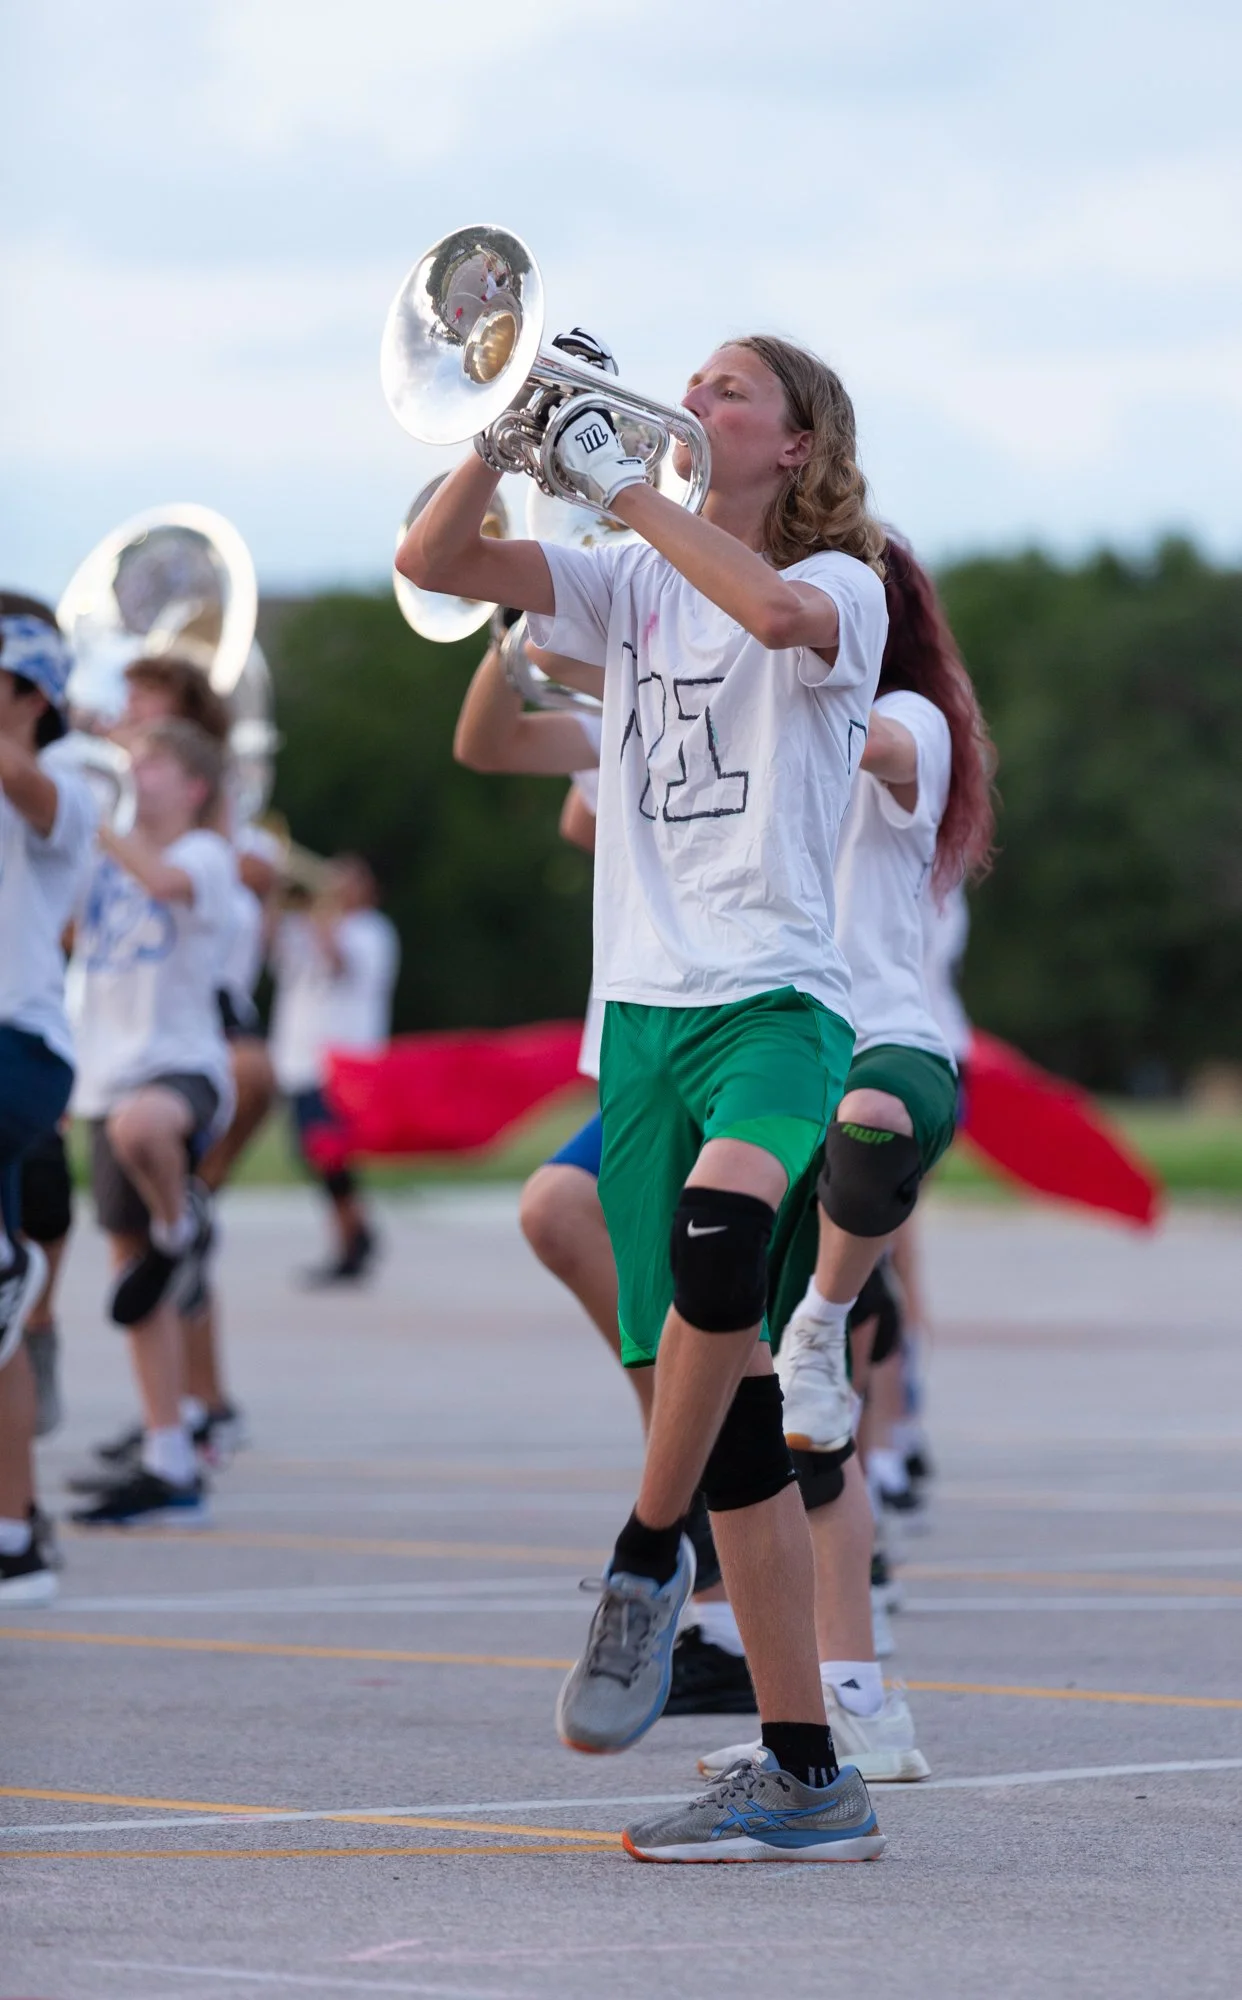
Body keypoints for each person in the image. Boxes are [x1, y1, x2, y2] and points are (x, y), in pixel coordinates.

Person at [400, 331, 889, 1862]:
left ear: (795, 445)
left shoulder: (845, 582)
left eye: (731, 389)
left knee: (717, 1244)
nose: (695, 398)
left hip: (775, 999)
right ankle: (806, 1776)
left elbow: (774, 611)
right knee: (736, 1416)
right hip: (642, 1022)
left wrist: (623, 490)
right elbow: (433, 563)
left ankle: (641, 1548)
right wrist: (501, 435)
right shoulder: (624, 582)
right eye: (693, 382)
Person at [696, 537, 995, 1785]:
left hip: (887, 1043)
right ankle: (856, 1704)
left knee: (872, 1122)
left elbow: (852, 736)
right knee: (800, 1435)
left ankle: (828, 1314)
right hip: (777, 1061)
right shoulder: (753, 728)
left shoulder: (912, 718)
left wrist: (758, 643)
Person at [454, 634, 754, 1715]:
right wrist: (515, 633)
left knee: (765, 1334)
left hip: (751, 1025)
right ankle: (698, 1527)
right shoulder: (632, 686)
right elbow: (492, 749)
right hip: (646, 1036)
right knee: (574, 1220)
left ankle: (785, 1612)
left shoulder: (761, 667)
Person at [68, 719, 237, 1527]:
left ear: (195, 787)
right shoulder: (105, 855)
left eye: (154, 762)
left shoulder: (203, 853)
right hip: (103, 1078)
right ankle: (169, 1459)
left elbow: (165, 884)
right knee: (136, 1286)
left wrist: (95, 820)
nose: (137, 770)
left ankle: (183, 1224)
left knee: (142, 1128)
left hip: (180, 1068)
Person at [0, 596, 98, 1598]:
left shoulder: (66, 789)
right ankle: (16, 1532)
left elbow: (23, 785)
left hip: (18, 1049)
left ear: (29, 693)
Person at [269, 854, 399, 1284]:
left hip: (343, 1063)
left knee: (331, 1155)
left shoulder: (372, 931)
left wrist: (322, 911)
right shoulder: (304, 926)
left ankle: (352, 1240)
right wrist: (270, 891)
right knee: (315, 1156)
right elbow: (267, 941)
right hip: (299, 1060)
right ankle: (354, 1234)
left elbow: (338, 962)